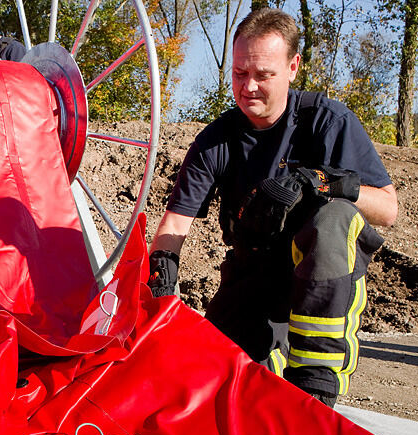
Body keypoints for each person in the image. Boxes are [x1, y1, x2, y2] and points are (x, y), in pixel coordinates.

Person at [148, 7, 398, 408]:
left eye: (263, 75)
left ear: (293, 66)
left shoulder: (328, 122)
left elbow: (388, 209)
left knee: (334, 215)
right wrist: (161, 268)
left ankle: (315, 387)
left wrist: (324, 183)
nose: (248, 88)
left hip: (318, 270)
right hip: (255, 267)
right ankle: (271, 355)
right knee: (214, 381)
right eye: (239, 74)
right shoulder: (217, 140)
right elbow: (176, 221)